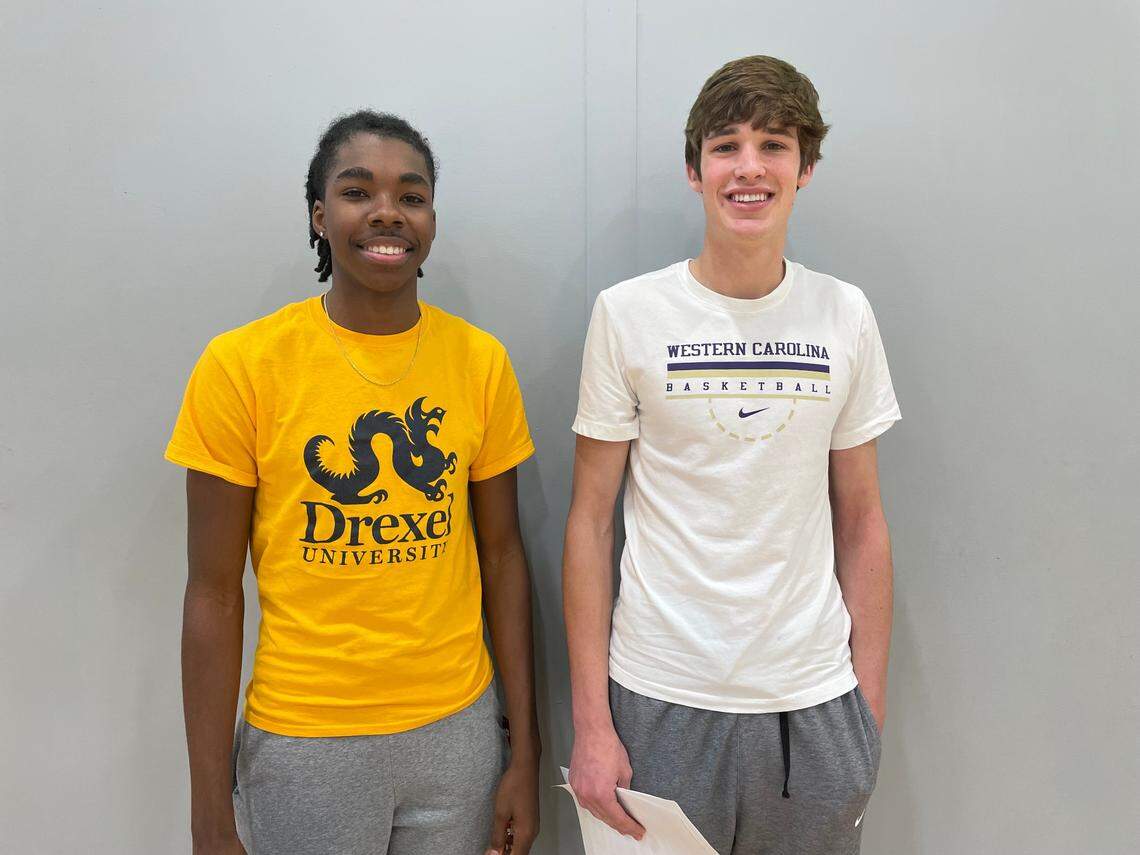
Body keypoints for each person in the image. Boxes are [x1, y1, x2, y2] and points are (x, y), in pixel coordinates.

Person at [167, 111, 540, 855]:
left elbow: (501, 557)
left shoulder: (480, 363)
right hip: (307, 743)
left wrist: (522, 753)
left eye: (412, 194)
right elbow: (212, 592)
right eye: (356, 190)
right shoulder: (242, 366)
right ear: (318, 213)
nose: (386, 212)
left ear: (431, 218)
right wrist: (209, 812)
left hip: (456, 737)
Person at [564, 56, 900, 854]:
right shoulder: (627, 313)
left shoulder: (843, 313)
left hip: (813, 702)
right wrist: (591, 724)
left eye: (774, 144)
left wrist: (867, 715)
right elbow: (588, 524)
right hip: (658, 695)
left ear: (805, 166)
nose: (749, 167)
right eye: (726, 146)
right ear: (695, 169)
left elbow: (862, 522)